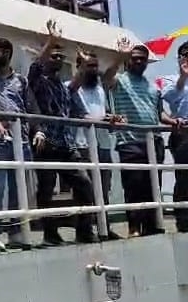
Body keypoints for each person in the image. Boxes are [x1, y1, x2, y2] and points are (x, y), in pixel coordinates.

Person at [27, 20, 97, 245]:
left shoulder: (63, 88)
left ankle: (84, 231)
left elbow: (76, 83)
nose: (57, 59)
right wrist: (51, 42)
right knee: (46, 190)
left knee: (84, 185)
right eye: (53, 55)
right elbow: (35, 66)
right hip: (46, 143)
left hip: (67, 146)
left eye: (60, 56)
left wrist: (84, 65)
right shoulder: (38, 82)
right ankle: (50, 233)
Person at [102, 39, 169, 237]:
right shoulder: (120, 80)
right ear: (129, 61)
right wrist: (119, 56)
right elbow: (106, 77)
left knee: (152, 186)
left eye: (142, 59)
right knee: (133, 186)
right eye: (134, 59)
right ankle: (134, 228)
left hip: (153, 141)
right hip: (130, 141)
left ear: (147, 62)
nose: (138, 62)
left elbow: (159, 114)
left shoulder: (153, 87)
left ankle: (152, 226)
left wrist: (174, 122)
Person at [0, 37, 35, 251]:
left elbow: (31, 107)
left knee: (19, 190)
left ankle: (15, 232)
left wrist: (38, 131)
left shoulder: (21, 81)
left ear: (7, 53)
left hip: (21, 140)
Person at [66, 50, 122, 240]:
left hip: (103, 143)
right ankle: (84, 231)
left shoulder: (99, 88)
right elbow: (78, 112)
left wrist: (110, 117)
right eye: (89, 66)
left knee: (103, 189)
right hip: (82, 143)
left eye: (95, 66)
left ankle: (104, 227)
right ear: (79, 66)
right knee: (85, 190)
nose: (94, 70)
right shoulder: (71, 87)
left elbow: (101, 111)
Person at [162, 42, 188, 232]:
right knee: (184, 178)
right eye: (185, 54)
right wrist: (183, 77)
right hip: (183, 134)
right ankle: (184, 220)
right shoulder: (171, 79)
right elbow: (170, 97)